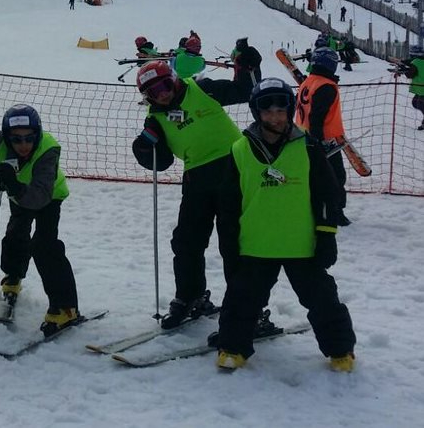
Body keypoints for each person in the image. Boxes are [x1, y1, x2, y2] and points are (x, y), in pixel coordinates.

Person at [214, 78, 356, 371]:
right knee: (242, 300)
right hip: (255, 244)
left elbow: (328, 195)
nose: (275, 116)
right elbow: (228, 203)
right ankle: (232, 347)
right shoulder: (239, 150)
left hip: (301, 244)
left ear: (290, 110)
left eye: (281, 109)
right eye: (267, 110)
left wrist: (327, 234)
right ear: (256, 112)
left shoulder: (308, 147)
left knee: (323, 301)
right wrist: (229, 242)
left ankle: (340, 350)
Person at [132, 59, 252, 328]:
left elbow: (244, 90)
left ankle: (245, 306)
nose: (162, 94)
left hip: (233, 169)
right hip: (197, 177)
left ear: (174, 79)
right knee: (186, 241)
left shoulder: (203, 89)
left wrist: (247, 64)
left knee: (233, 242)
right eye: (153, 92)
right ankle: (190, 296)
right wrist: (144, 147)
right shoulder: (155, 118)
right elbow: (161, 162)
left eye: (164, 85)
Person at [0, 104, 81, 337]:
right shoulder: (0, 143)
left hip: (48, 197)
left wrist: (13, 185)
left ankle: (66, 307)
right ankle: (13, 276)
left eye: (28, 138)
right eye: (16, 139)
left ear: (37, 135)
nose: (23, 145)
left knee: (44, 246)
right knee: (16, 233)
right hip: (19, 195)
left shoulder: (48, 150)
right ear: (7, 137)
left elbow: (39, 196)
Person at [294, 48, 348, 212]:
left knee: (317, 175)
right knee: (336, 177)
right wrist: (318, 143)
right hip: (323, 140)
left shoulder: (309, 81)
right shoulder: (326, 86)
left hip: (305, 136)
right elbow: (317, 117)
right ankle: (335, 211)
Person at [394, 44, 424, 130]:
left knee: (416, 102)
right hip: (421, 88)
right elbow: (408, 62)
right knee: (418, 102)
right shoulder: (418, 61)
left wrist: (403, 69)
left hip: (421, 88)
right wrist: (402, 64)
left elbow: (410, 74)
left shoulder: (416, 62)